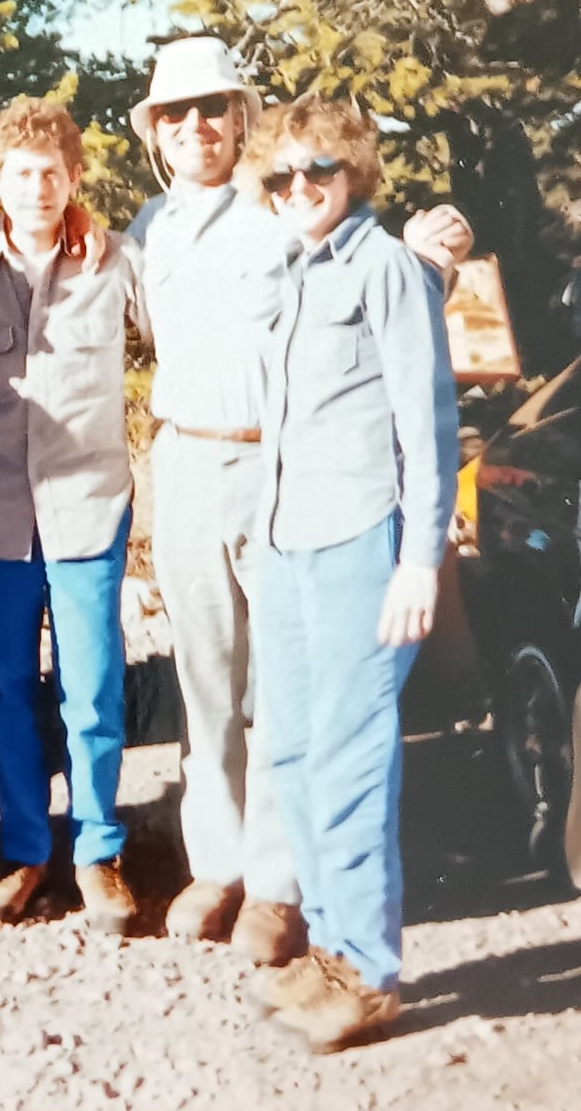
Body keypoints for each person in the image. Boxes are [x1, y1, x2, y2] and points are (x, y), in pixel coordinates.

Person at [126, 37, 472, 963]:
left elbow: (374, 277)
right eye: (175, 113)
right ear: (155, 133)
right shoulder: (142, 232)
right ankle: (218, 862)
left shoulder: (283, 200)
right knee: (202, 681)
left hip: (286, 474)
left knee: (286, 695)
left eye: (212, 108)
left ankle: (278, 887)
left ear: (240, 118)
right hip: (189, 463)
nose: (195, 126)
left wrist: (433, 254)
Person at [241, 95, 458, 1052]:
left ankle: (367, 972)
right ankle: (327, 946)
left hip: (364, 547)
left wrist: (420, 561)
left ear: (354, 174)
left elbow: (426, 424)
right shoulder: (290, 268)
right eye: (281, 174)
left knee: (350, 759)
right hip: (288, 540)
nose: (299, 188)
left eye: (318, 171)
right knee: (291, 752)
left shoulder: (387, 270)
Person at [0, 98, 144, 933]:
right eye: (21, 173)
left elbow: (188, 341)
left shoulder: (116, 262)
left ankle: (98, 851)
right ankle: (24, 848)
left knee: (91, 688)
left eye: (53, 172)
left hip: (90, 505)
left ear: (74, 178)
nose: (37, 187)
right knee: (5, 686)